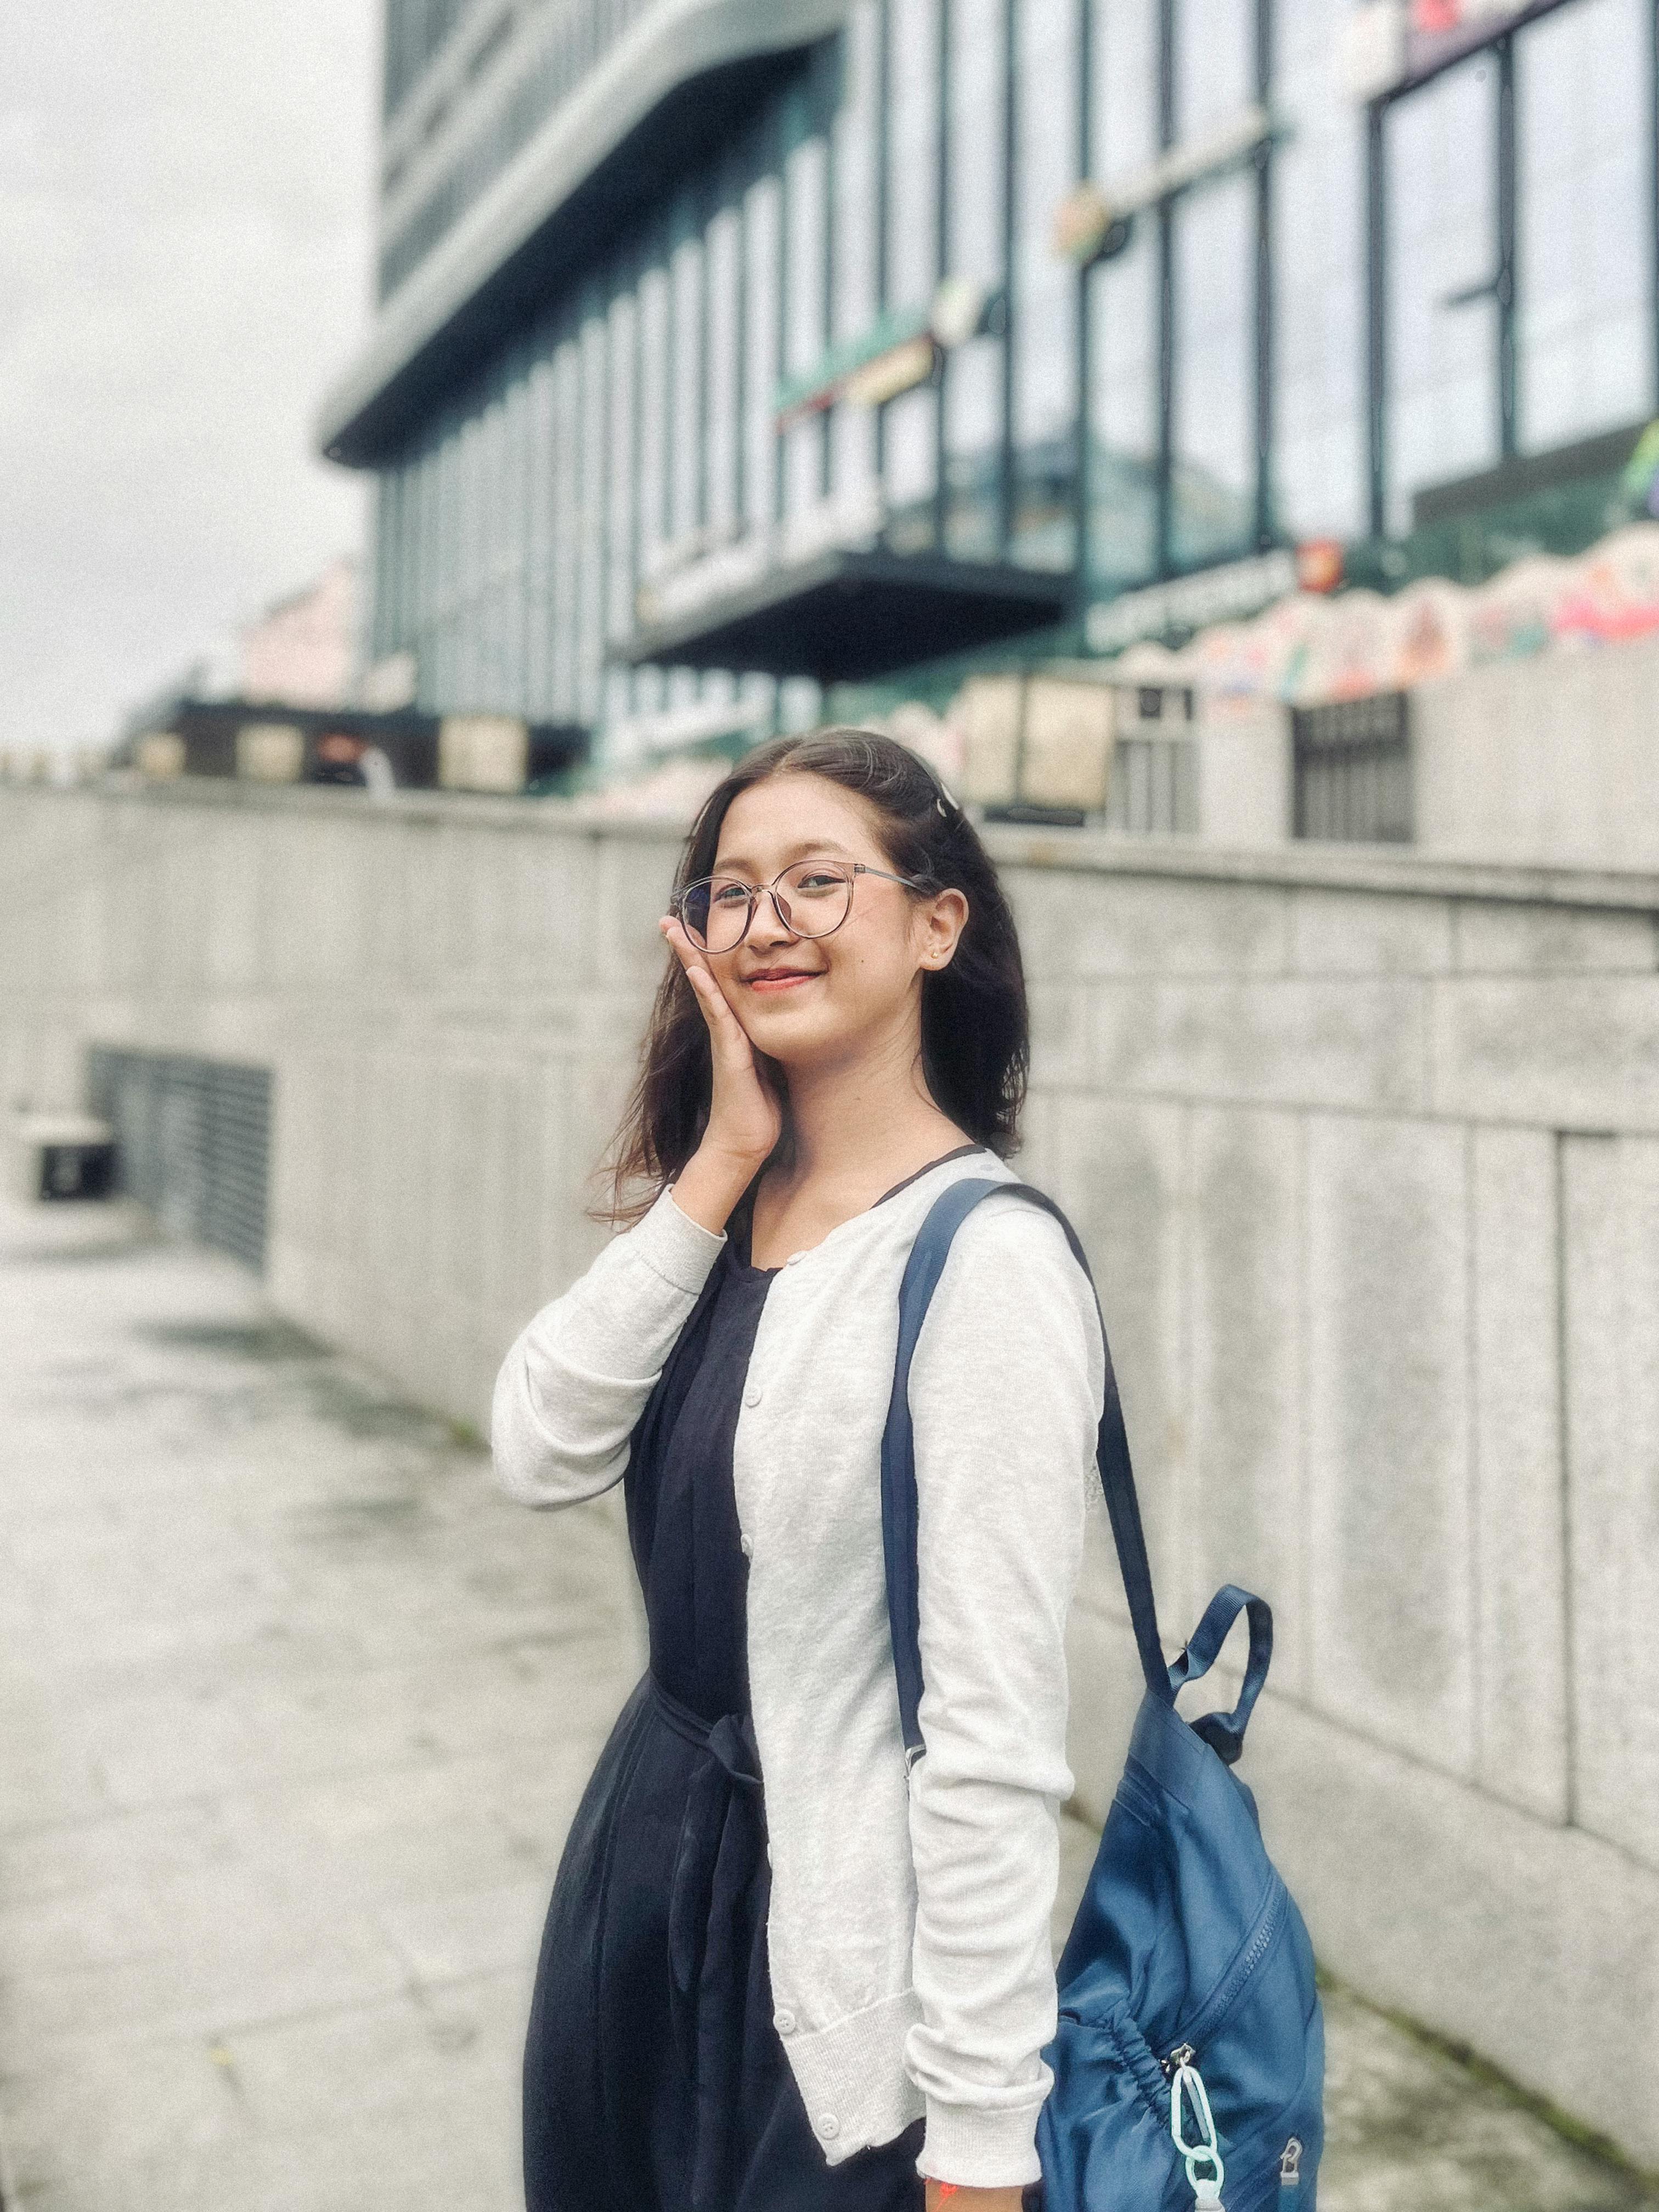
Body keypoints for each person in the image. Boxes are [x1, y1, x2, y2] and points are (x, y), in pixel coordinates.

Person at [491, 727, 1105, 2212]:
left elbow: (991, 1744)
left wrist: (979, 2150)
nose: (767, 926)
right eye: (734, 891)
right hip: (640, 1888)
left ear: (937, 922)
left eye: (819, 884)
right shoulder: (727, 1211)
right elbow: (536, 1443)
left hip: (827, 1954)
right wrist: (713, 1166)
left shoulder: (985, 1264)